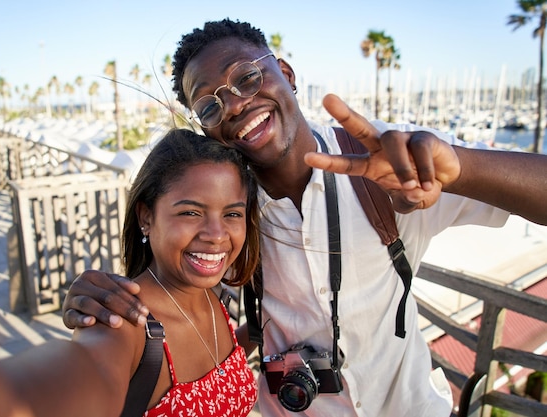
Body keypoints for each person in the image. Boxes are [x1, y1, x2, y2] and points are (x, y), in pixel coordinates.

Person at [61, 19, 547, 417]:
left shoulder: (387, 166)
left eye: (247, 77)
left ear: (286, 73)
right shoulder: (228, 219)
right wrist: (108, 305)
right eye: (209, 105)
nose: (235, 104)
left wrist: (462, 168)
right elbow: (176, 295)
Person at [0, 128, 261, 417]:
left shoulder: (212, 295)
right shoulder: (123, 321)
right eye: (191, 212)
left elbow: (220, 368)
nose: (217, 234)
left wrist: (268, 332)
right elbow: (80, 372)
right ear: (146, 216)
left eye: (232, 214)